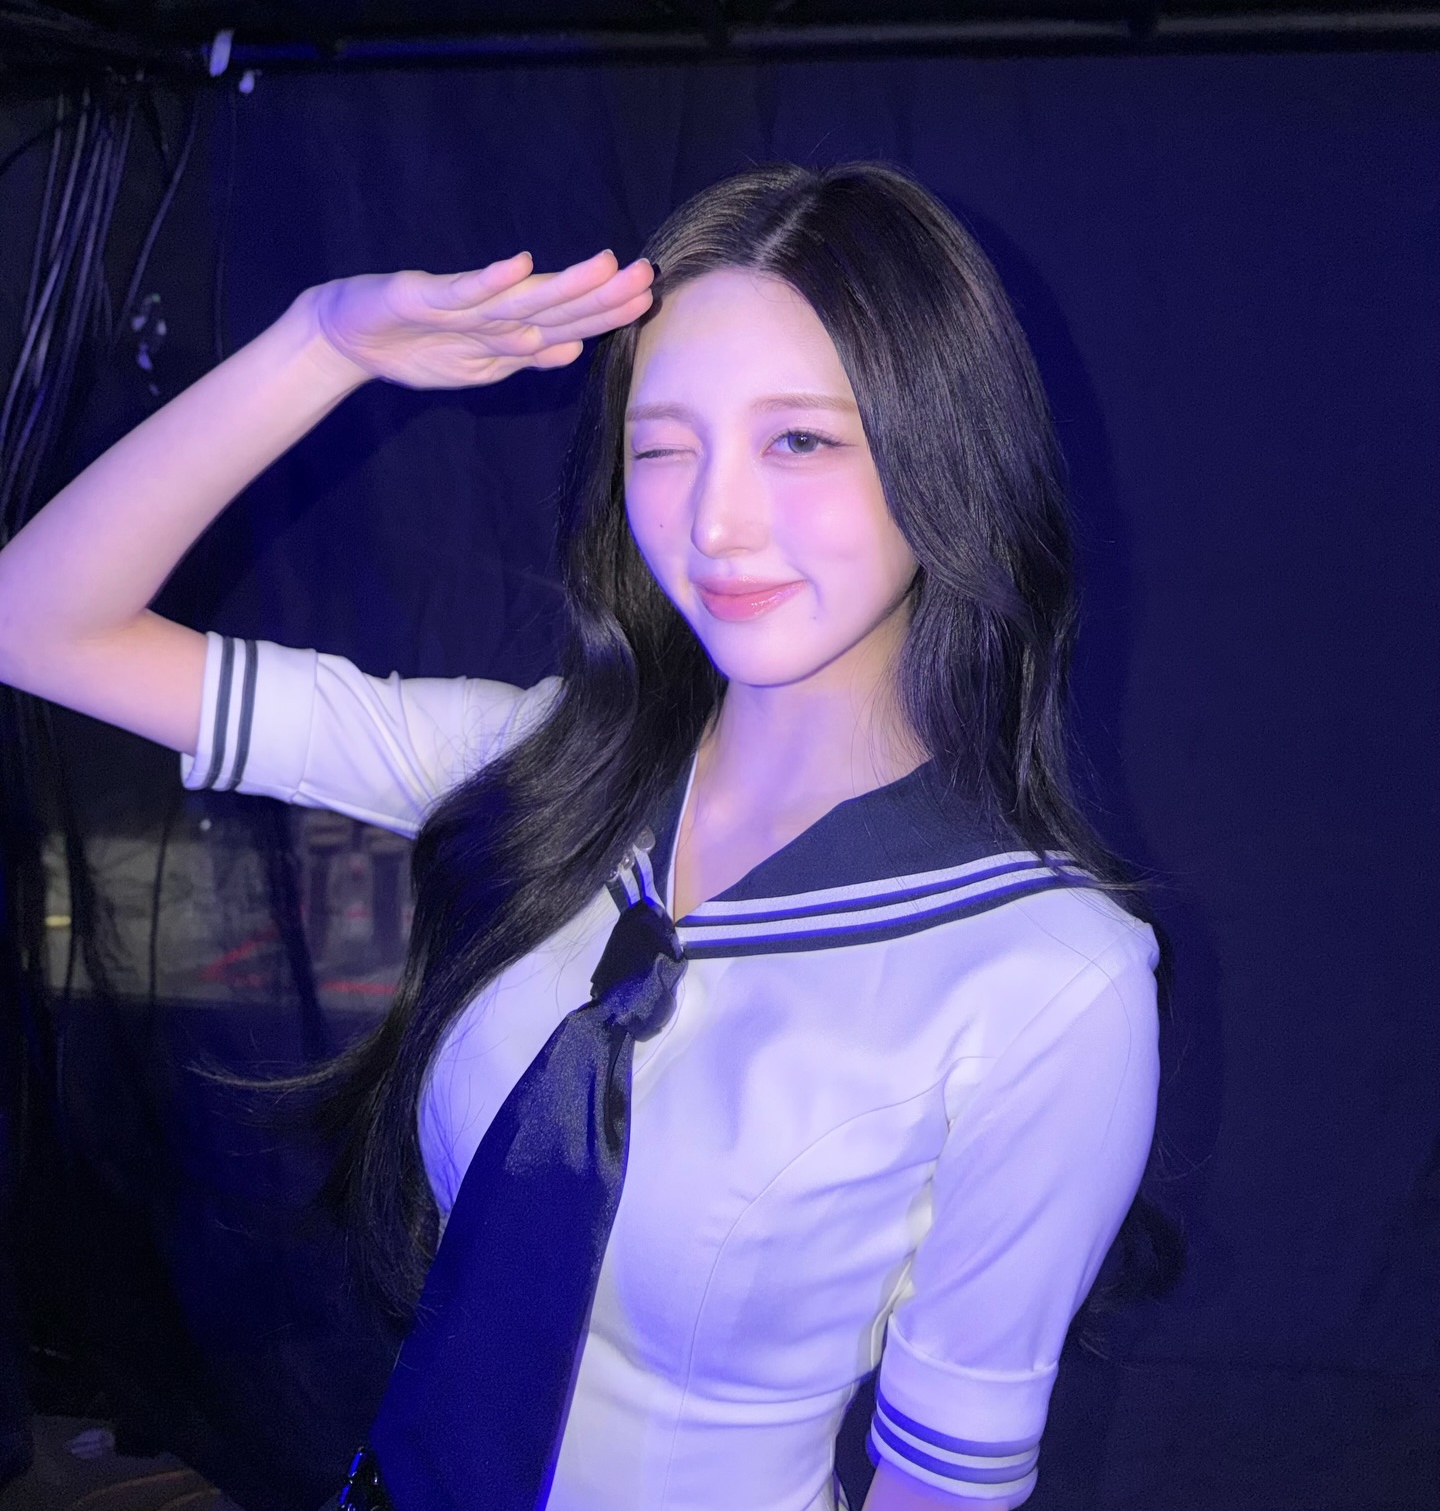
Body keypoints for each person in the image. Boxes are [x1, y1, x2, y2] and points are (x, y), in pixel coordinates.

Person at [0, 162, 1162, 1511]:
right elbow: (37, 623)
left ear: (945, 453)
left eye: (801, 440)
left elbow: (943, 1481)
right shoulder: (538, 771)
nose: (715, 521)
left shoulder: (1048, 980)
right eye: (662, 445)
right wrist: (319, 343)